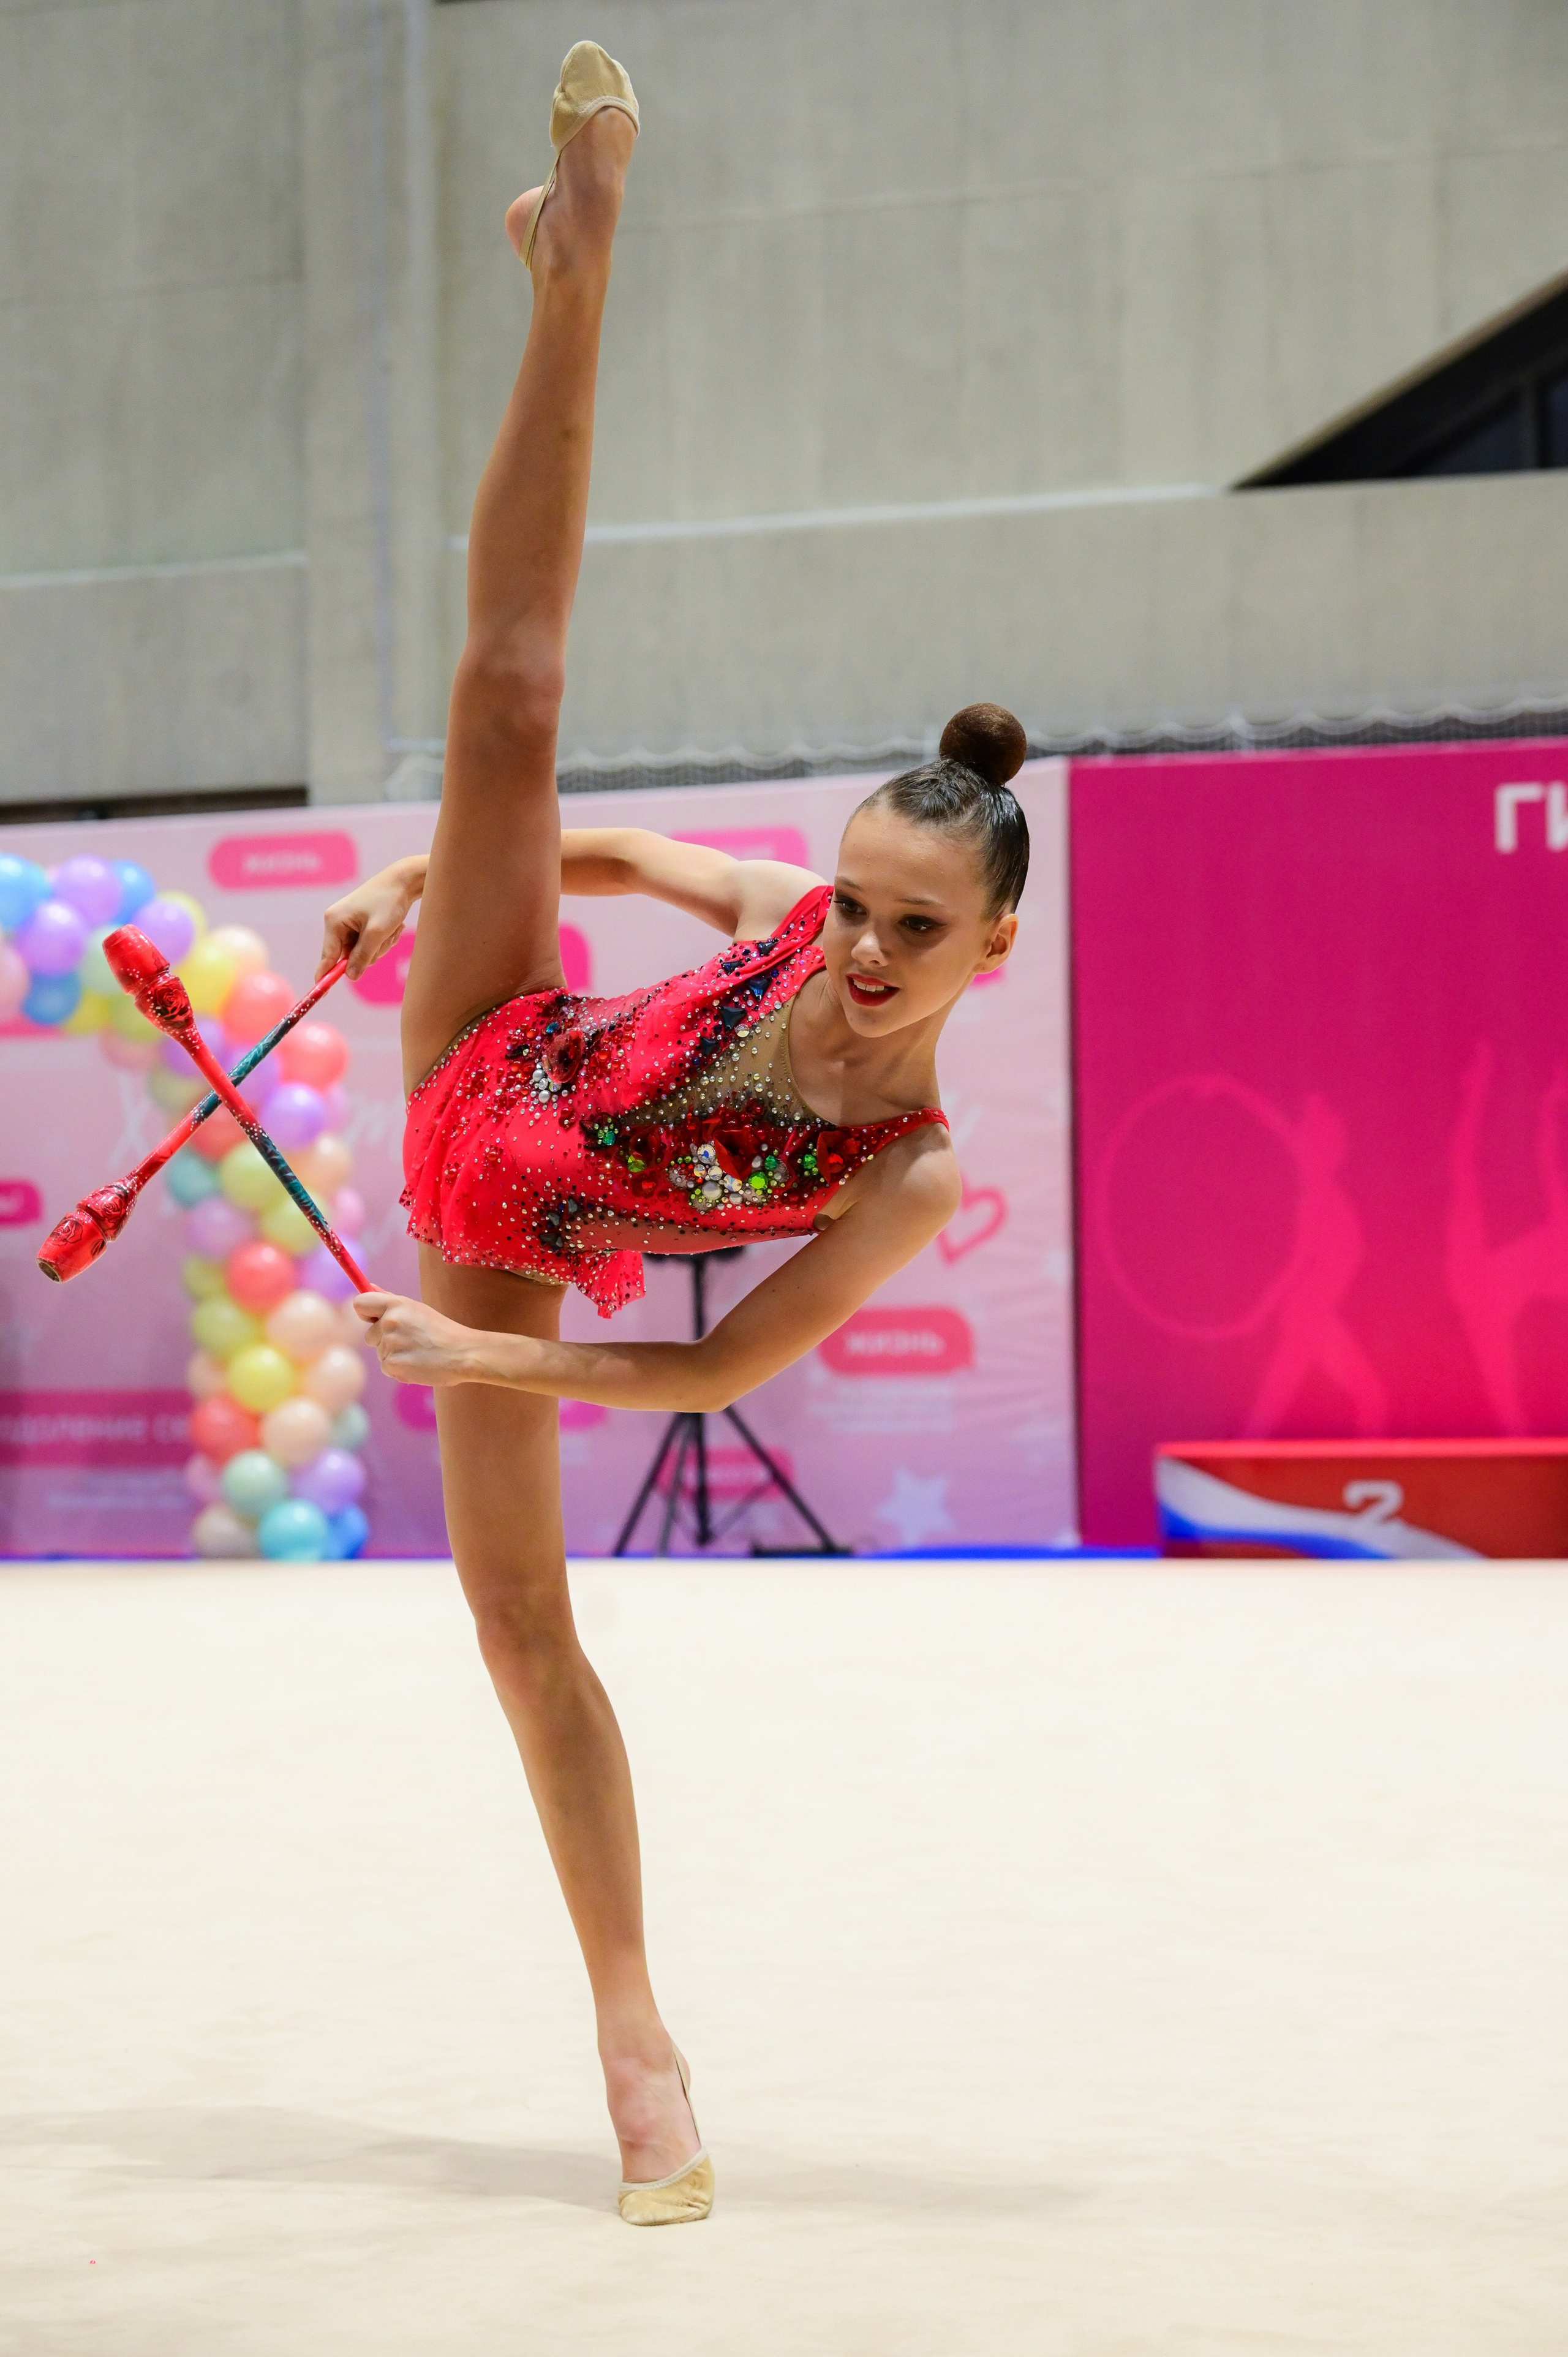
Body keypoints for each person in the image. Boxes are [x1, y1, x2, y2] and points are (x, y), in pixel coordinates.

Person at [315, 40, 1031, 2227]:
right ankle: (578, 261)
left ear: (993, 952)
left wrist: (486, 1357)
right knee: (509, 698)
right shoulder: (801, 918)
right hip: (496, 1044)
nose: (862, 953)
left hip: (511, 1258)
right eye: (854, 906)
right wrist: (428, 884)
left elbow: (715, 1372)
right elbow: (624, 864)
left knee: (527, 1632)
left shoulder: (908, 1178)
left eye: (917, 931)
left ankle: (636, 2040)